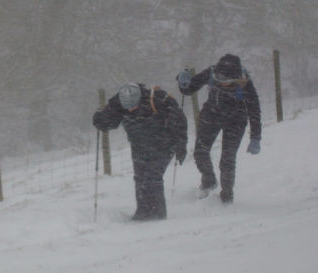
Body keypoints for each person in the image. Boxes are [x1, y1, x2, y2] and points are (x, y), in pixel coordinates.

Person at [93, 83, 187, 220]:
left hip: (164, 144)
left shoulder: (159, 99)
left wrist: (181, 145)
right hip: (139, 146)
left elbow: (180, 121)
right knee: (140, 177)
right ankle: (143, 211)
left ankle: (157, 214)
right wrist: (100, 120)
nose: (131, 109)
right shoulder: (118, 102)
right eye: (127, 107)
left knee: (153, 176)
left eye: (134, 105)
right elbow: (110, 121)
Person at [176, 53, 262, 203]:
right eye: (219, 79)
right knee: (200, 152)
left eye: (226, 81)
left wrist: (255, 137)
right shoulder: (211, 72)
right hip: (211, 115)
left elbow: (254, 110)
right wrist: (183, 81)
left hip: (236, 120)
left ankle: (226, 197)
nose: (222, 83)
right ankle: (209, 181)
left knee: (227, 160)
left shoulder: (244, 82)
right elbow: (189, 89)